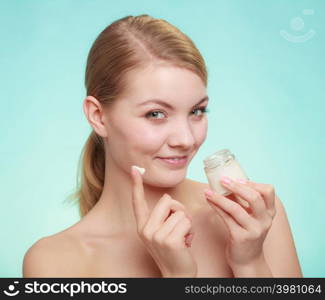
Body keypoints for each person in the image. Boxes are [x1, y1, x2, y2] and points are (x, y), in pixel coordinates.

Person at [23, 14, 302, 278]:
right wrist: (178, 279)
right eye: (155, 114)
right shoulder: (53, 261)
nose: (186, 139)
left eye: (196, 111)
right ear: (98, 116)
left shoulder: (254, 220)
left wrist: (250, 264)